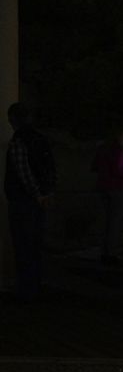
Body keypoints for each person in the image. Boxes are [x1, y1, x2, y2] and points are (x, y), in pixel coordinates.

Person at [4, 103, 57, 302]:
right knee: (35, 244)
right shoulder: (41, 139)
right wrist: (47, 193)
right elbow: (50, 168)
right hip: (39, 199)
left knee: (23, 245)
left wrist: (36, 194)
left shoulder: (19, 141)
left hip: (23, 200)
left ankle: (26, 288)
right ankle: (34, 284)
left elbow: (23, 172)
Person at [91, 128, 123, 266]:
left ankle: (104, 252)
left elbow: (94, 167)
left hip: (102, 188)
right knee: (115, 223)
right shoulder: (119, 151)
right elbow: (120, 171)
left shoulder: (102, 149)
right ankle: (111, 254)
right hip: (117, 189)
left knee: (106, 222)